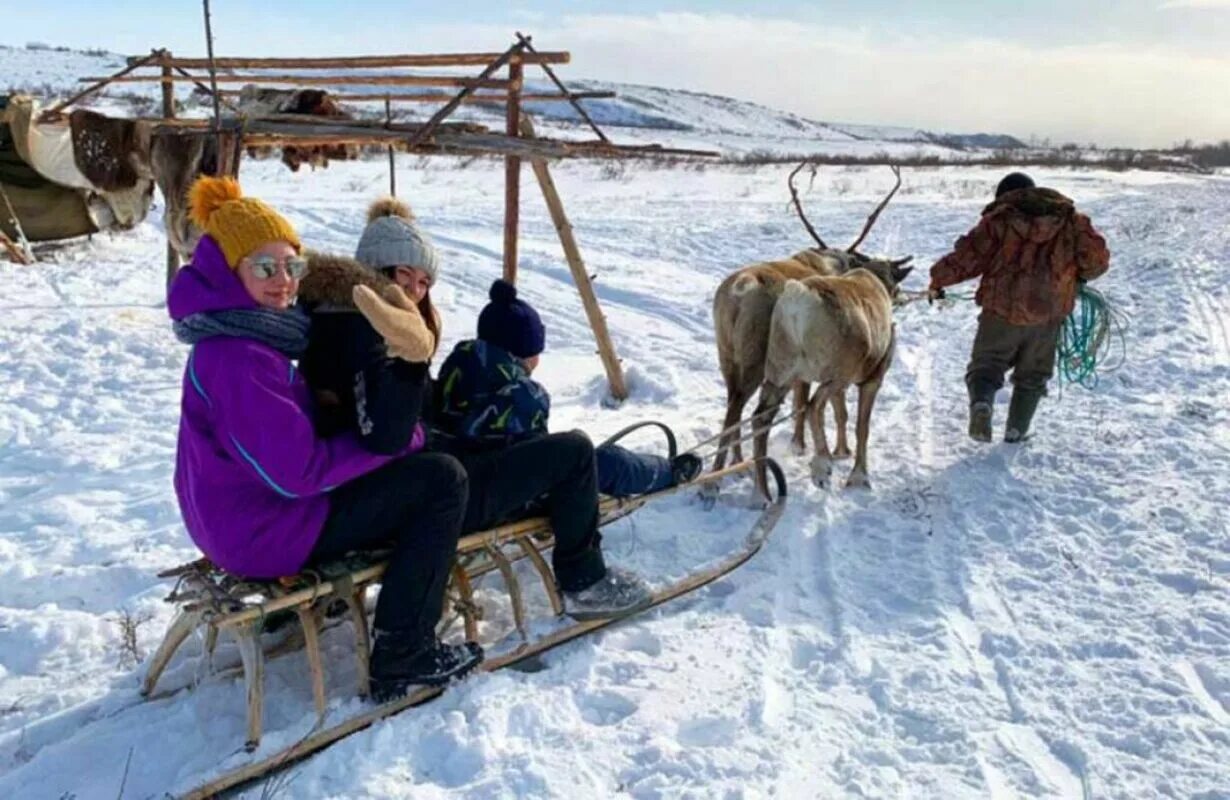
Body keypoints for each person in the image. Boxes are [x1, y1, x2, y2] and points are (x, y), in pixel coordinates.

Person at [168, 177, 480, 703]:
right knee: (440, 482)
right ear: (226, 271)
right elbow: (298, 474)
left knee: (407, 470)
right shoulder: (237, 359)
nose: (284, 282)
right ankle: (404, 653)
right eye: (264, 267)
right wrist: (395, 445)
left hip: (237, 518)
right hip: (265, 532)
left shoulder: (243, 339)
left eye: (292, 266)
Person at [298, 197, 653, 621]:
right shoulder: (369, 334)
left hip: (384, 491)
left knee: (539, 453)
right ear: (373, 273)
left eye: (424, 282)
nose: (414, 291)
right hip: (424, 497)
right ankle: (585, 582)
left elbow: (390, 411)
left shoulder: (334, 323)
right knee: (574, 453)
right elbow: (386, 433)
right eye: (403, 276)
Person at [435, 279, 704, 497]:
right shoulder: (522, 395)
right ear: (526, 353)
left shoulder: (457, 365)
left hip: (455, 474)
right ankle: (667, 472)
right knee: (604, 461)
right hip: (503, 490)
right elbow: (537, 459)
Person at [927, 172, 1110, 442]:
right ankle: (1016, 430)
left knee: (986, 367)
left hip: (1001, 311)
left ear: (1004, 196)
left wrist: (938, 279)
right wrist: (1077, 276)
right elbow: (1097, 261)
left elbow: (968, 257)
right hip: (1047, 316)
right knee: (1033, 377)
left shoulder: (999, 220)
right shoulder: (1072, 221)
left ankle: (982, 405)